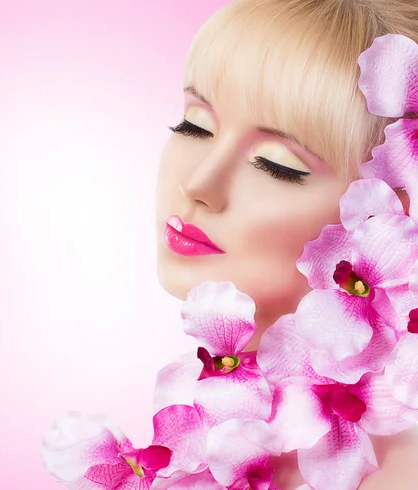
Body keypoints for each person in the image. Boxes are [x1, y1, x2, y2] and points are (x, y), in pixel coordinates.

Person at [155, 0, 418, 488]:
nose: (198, 184)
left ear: (394, 213)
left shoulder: (399, 471)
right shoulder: (207, 427)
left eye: (277, 163)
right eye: (195, 125)